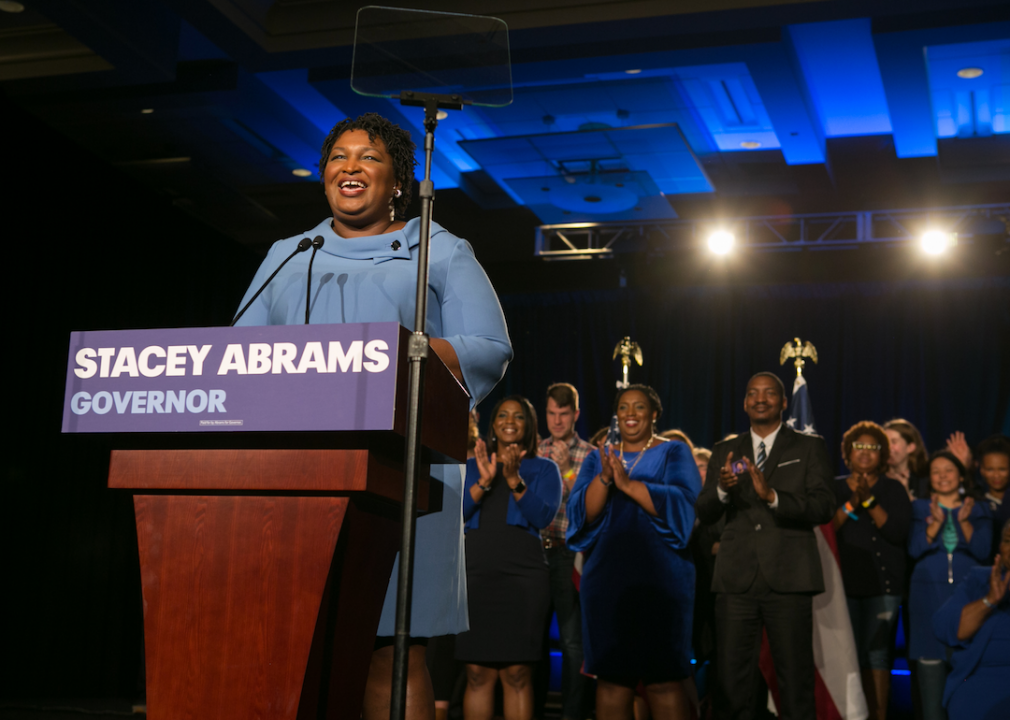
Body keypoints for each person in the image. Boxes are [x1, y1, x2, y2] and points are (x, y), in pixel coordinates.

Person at [233, 112, 512, 720]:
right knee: (294, 640)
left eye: (369, 157)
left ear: (397, 183)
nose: (350, 167)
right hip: (294, 476)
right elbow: (236, 360)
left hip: (405, 473)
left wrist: (395, 354)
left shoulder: (437, 249)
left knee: (390, 648)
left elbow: (487, 348)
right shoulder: (288, 255)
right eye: (338, 156)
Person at [695, 371, 835, 720]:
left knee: (794, 679)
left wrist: (773, 497)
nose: (761, 399)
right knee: (730, 681)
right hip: (735, 580)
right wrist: (724, 490)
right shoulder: (724, 450)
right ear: (744, 403)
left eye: (770, 393)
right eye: (753, 394)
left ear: (784, 402)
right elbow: (705, 510)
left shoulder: (808, 446)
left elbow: (823, 506)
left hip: (789, 577)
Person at [567, 384, 702, 720]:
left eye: (639, 407)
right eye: (624, 408)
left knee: (664, 680)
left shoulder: (674, 452)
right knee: (612, 680)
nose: (630, 414)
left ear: (654, 414)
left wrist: (628, 484)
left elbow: (685, 505)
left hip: (663, 581)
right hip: (608, 583)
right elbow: (582, 512)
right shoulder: (599, 456)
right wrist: (605, 478)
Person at [457, 395, 563, 720]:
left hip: (523, 580)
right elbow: (457, 511)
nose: (510, 421)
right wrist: (485, 481)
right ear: (493, 424)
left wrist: (514, 480)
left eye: (518, 416)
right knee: (477, 673)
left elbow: (543, 516)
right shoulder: (475, 464)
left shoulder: (544, 469)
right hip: (475, 576)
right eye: (503, 415)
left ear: (528, 425)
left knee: (517, 673)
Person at [832, 421, 912, 720]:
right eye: (859, 446)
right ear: (847, 452)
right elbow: (828, 529)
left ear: (882, 454)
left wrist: (868, 499)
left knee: (877, 656)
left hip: (883, 587)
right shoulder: (834, 486)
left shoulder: (892, 489)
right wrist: (853, 501)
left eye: (872, 447)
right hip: (842, 588)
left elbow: (895, 532)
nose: (865, 453)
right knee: (844, 658)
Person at [907, 450, 993, 720]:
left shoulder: (979, 508)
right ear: (929, 478)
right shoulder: (919, 508)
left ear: (960, 475)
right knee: (932, 704)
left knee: (967, 703)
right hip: (926, 600)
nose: (942, 476)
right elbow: (914, 548)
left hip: (967, 599)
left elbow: (982, 551)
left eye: (949, 470)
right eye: (936, 471)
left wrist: (964, 521)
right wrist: (936, 525)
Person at [537, 383, 595, 720]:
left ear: (575, 414)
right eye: (551, 413)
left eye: (563, 413)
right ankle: (533, 709)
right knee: (532, 641)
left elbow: (590, 507)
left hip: (567, 553)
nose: (557, 421)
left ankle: (572, 714)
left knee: (573, 643)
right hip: (533, 554)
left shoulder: (589, 454)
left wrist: (566, 470)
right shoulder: (535, 450)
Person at [931, 519, 1010, 719]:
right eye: (1008, 540)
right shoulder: (980, 579)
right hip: (978, 683)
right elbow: (944, 627)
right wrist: (989, 601)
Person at [975, 435, 1010, 561]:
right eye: (990, 469)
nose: (996, 475)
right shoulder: (976, 502)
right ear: (981, 470)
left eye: (1002, 469)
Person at [883, 419, 930, 500]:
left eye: (894, 442)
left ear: (910, 447)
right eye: (885, 442)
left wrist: (906, 493)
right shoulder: (876, 477)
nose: (888, 447)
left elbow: (926, 511)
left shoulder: (924, 479)